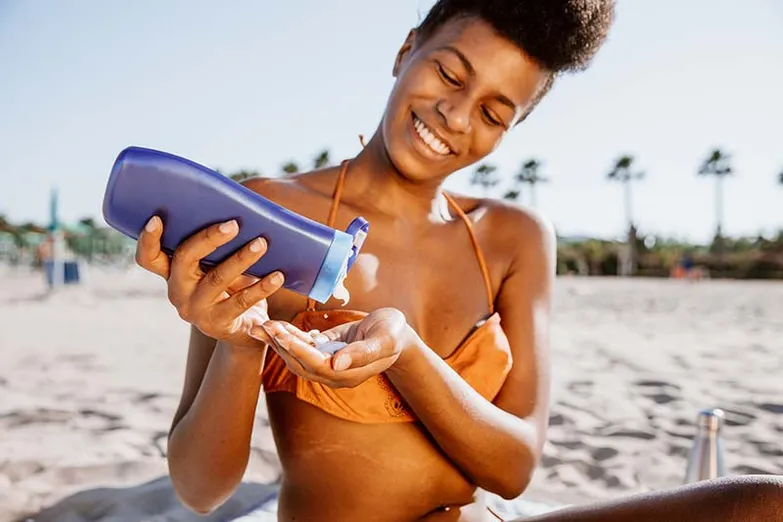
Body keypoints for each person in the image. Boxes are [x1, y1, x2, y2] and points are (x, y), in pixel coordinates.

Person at [134, 1, 783, 520]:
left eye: (494, 113)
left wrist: (405, 352)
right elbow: (200, 489)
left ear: (512, 130)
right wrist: (241, 343)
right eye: (448, 73)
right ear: (405, 48)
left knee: (764, 501)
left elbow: (512, 468)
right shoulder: (268, 215)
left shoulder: (513, 237)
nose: (454, 115)